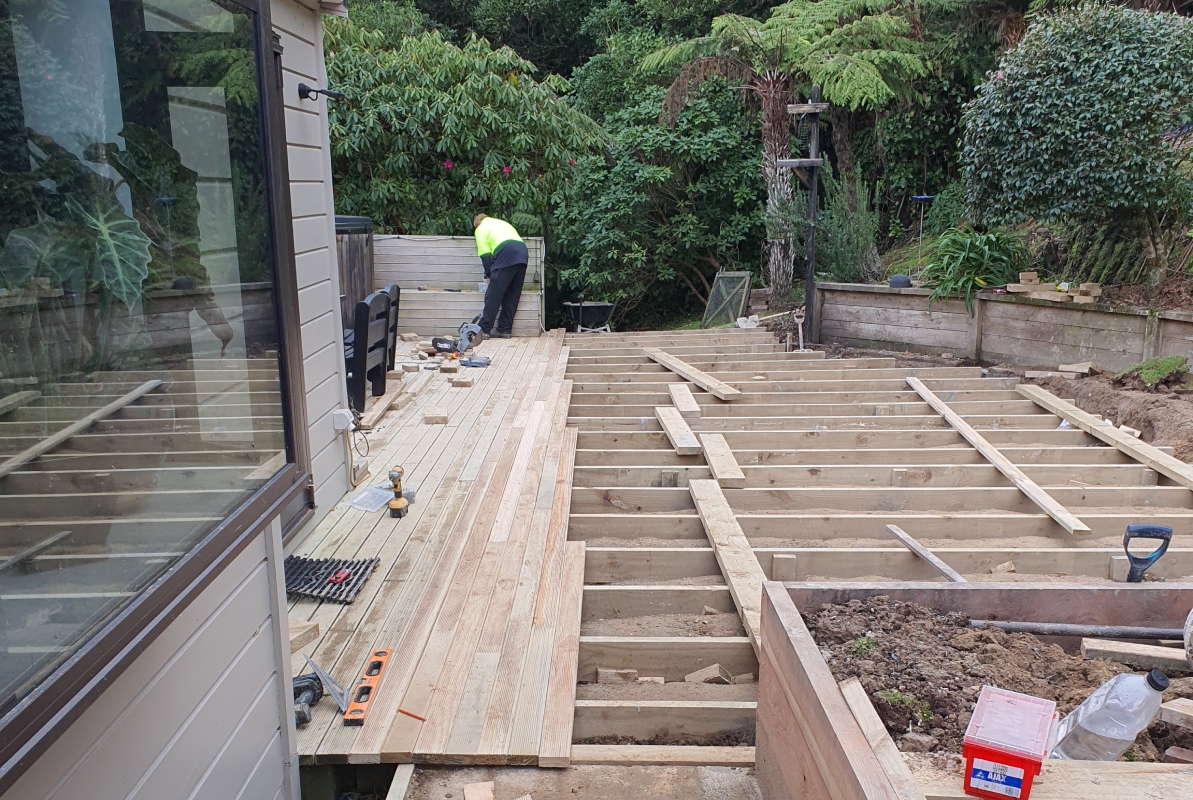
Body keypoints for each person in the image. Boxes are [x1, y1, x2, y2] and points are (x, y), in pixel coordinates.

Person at [473, 213, 528, 338]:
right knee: (512, 295)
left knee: (493, 295)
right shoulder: (501, 223)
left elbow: (485, 255)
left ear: (478, 223)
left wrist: (488, 275)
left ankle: (484, 330)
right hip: (522, 253)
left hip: (505, 253)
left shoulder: (481, 229)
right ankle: (504, 329)